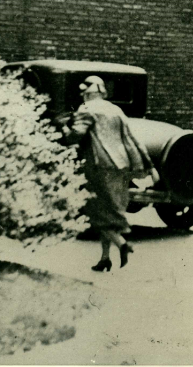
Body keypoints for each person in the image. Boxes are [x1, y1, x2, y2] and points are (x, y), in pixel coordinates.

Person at [61, 75, 158, 272]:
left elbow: (75, 136)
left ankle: (122, 244)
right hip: (121, 167)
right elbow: (132, 138)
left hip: (99, 167)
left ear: (88, 92)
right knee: (110, 209)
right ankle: (105, 258)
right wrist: (149, 166)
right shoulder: (115, 110)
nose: (82, 95)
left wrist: (63, 127)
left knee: (97, 211)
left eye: (83, 92)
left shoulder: (86, 109)